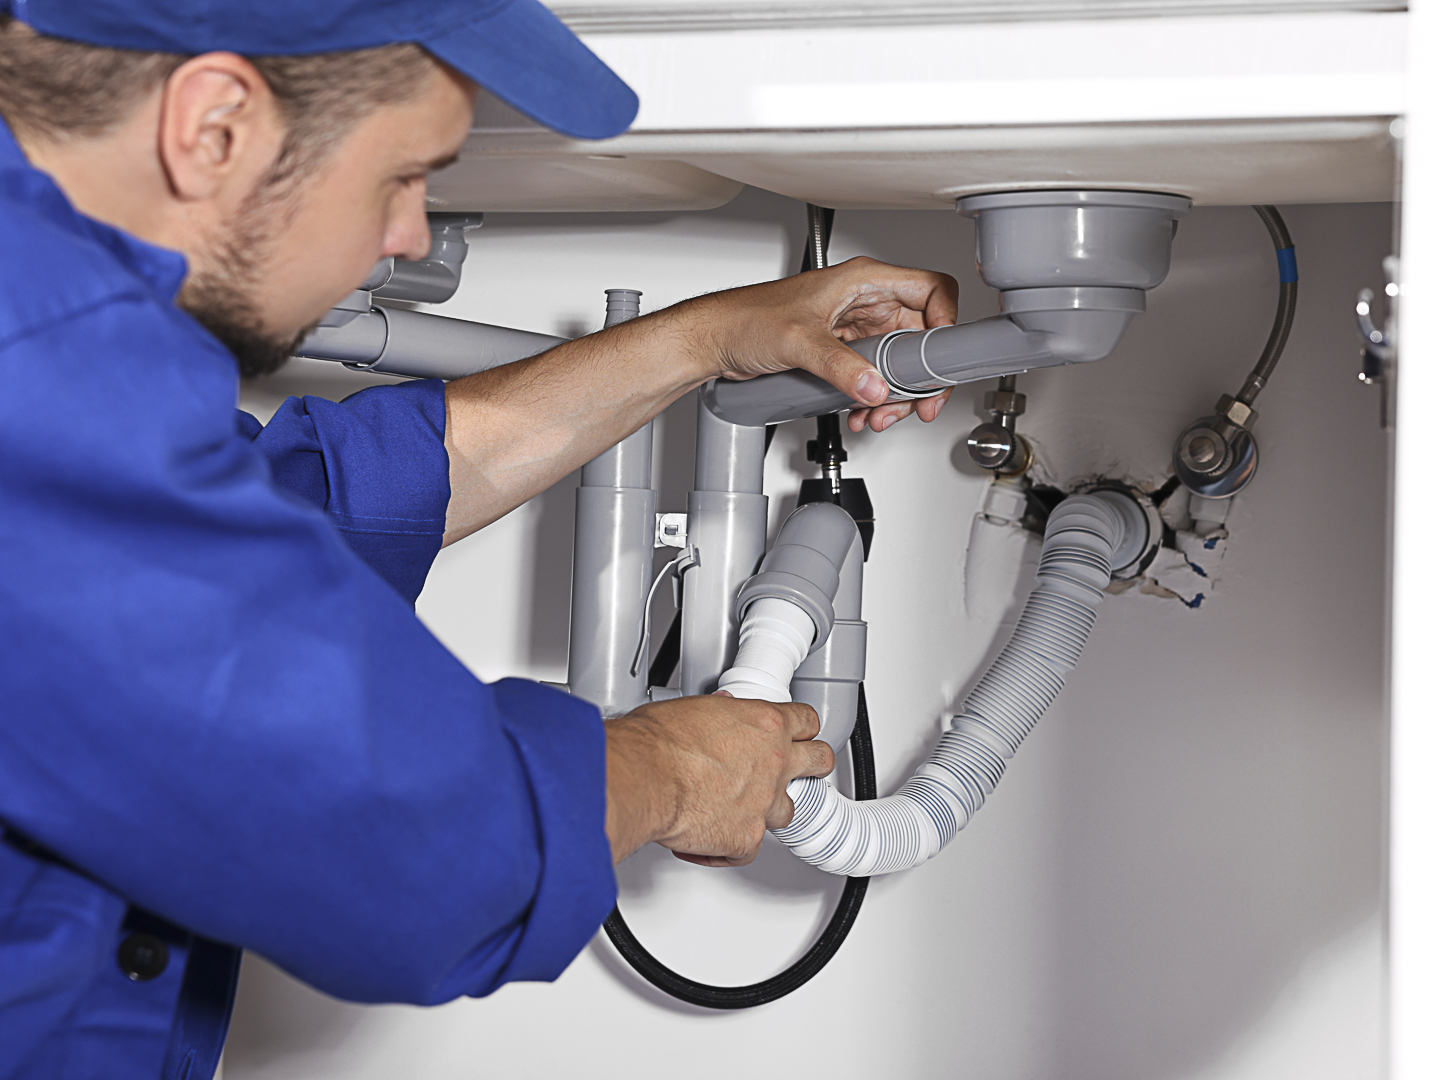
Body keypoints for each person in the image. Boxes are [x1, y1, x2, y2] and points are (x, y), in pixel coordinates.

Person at [0, 1, 958, 1076]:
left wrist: (709, 339)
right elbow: (404, 857)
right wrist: (673, 768)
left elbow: (293, 513)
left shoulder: (47, 343)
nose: (411, 234)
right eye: (403, 175)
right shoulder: (40, 379)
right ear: (214, 124)